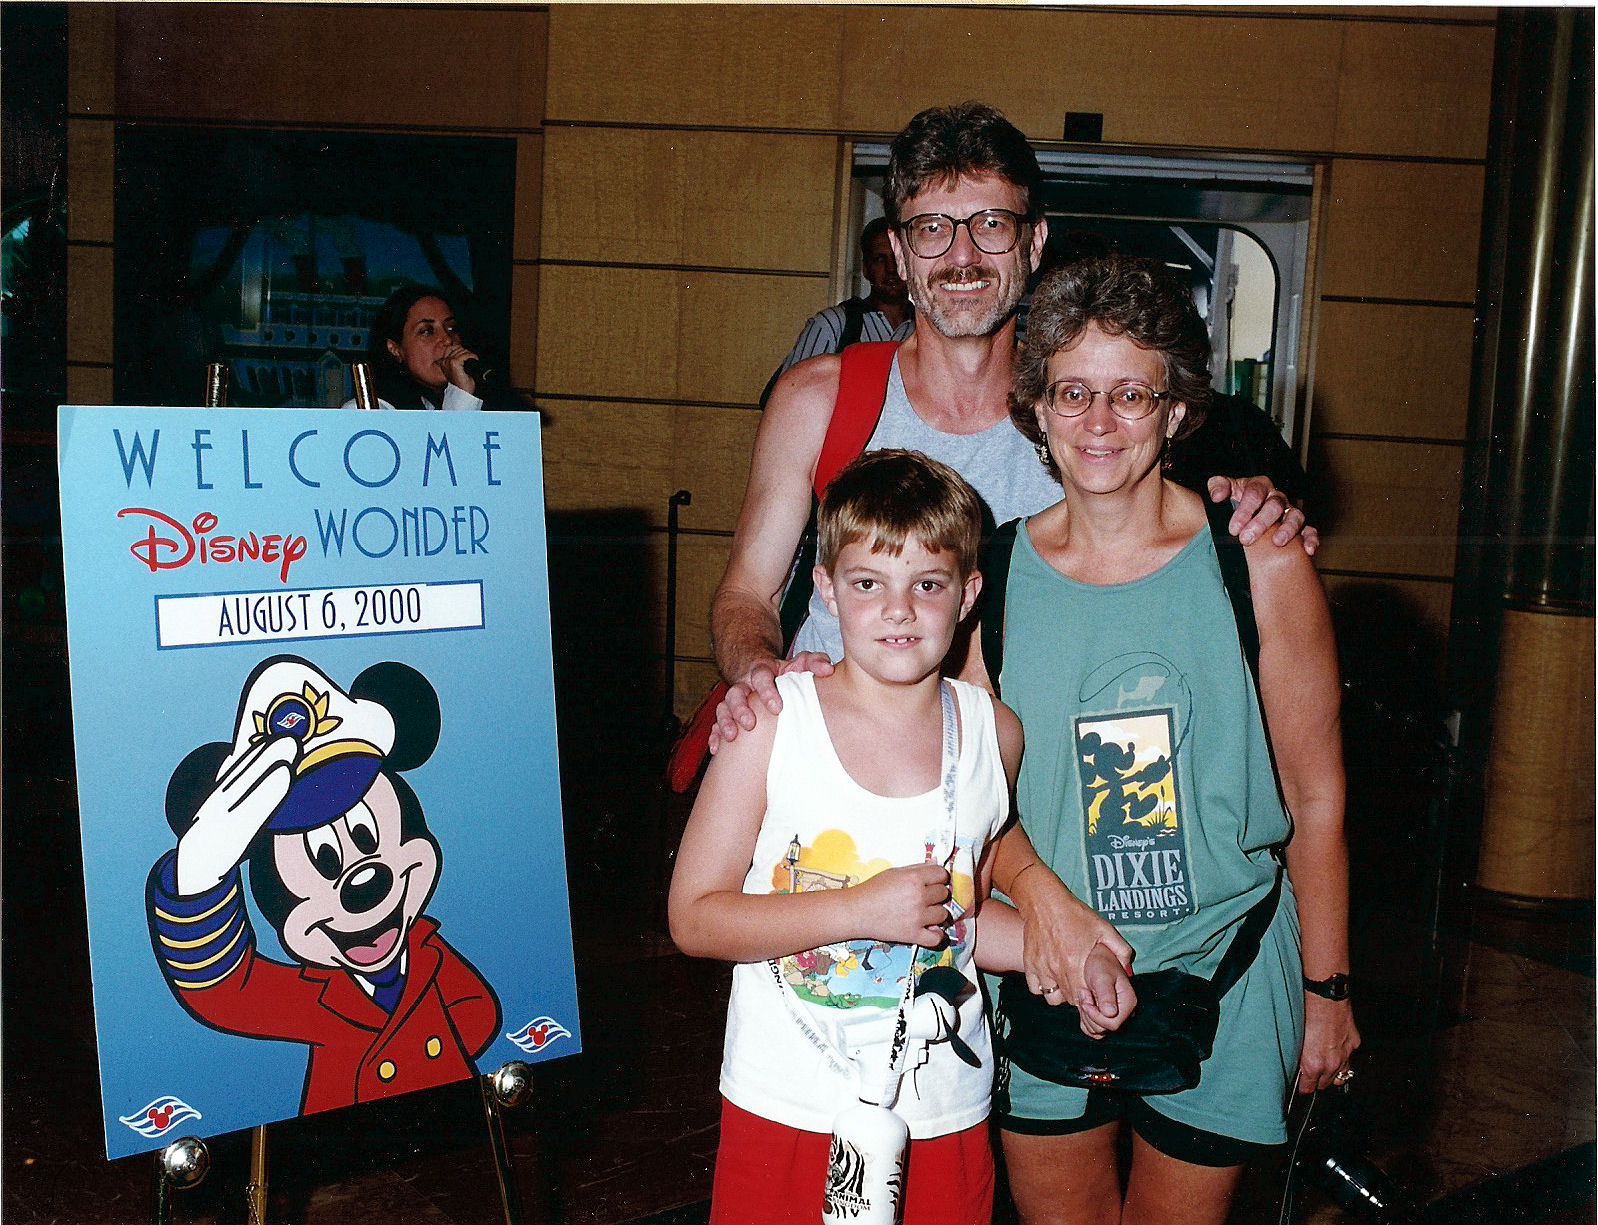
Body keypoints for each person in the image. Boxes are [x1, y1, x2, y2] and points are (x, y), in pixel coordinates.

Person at [707, 101, 1311, 746]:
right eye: (932, 228)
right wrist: (762, 673)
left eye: (991, 223)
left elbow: (1174, 542)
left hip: (1022, 766)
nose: (961, 257)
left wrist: (1250, 508)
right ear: (901, 255)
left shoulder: (1087, 418)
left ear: (1034, 242)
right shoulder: (820, 402)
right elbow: (748, 595)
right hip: (838, 753)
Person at [978, 254, 1359, 1225]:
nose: (1098, 423)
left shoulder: (1256, 562)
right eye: (1071, 392)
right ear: (1032, 408)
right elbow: (964, 795)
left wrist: (1326, 989)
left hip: (1225, 969)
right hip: (1045, 967)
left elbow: (1314, 796)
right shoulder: (986, 577)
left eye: (1129, 394)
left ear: (1177, 409)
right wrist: (1046, 907)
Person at [669, 449, 1129, 1225]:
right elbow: (694, 917)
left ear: (969, 594)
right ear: (825, 588)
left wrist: (1068, 957)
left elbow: (959, 921)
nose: (898, 609)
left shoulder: (994, 734)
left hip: (942, 1109)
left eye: (928, 584)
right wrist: (858, 909)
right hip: (788, 1100)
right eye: (867, 583)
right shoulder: (775, 723)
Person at [341, 283, 516, 411]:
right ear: (394, 348)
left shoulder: (476, 402)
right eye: (427, 331)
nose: (447, 340)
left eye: (451, 328)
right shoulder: (367, 410)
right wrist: (461, 397)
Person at [775, 217, 913, 375]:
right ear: (865, 269)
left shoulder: (926, 330)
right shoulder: (832, 325)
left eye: (898, 258)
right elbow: (791, 391)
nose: (891, 268)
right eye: (879, 260)